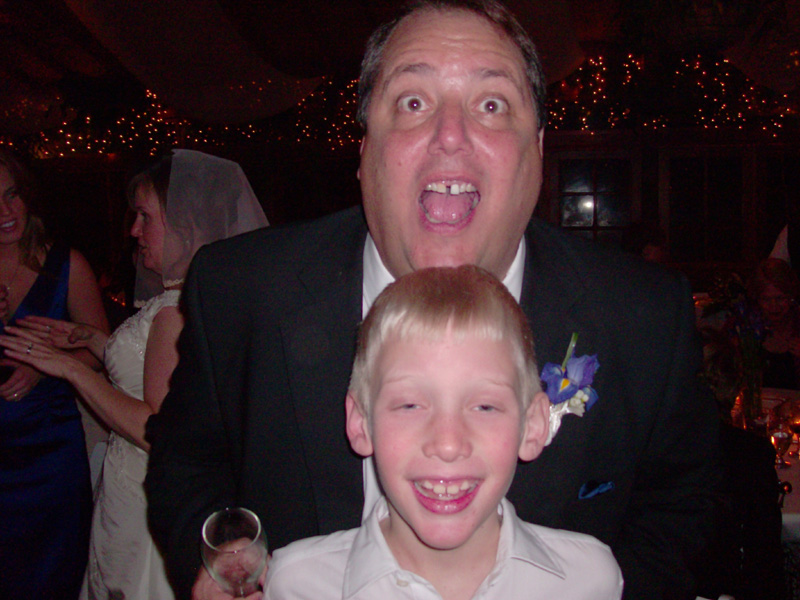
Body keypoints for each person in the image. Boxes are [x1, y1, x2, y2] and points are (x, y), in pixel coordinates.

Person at [145, 2, 719, 599]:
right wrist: (218, 566)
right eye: (413, 103)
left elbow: (683, 505)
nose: (450, 135)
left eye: (491, 105)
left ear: (538, 151)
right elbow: (186, 464)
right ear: (365, 149)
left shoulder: (644, 317)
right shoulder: (239, 291)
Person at [0, 149, 269, 600]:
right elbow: (157, 378)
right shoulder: (185, 294)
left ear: (184, 224)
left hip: (147, 489)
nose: (133, 231)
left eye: (145, 217)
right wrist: (93, 340)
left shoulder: (174, 310)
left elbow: (158, 430)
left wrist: (69, 368)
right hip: (129, 485)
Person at [263, 265, 624, 599]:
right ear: (361, 422)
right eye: (410, 405)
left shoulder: (588, 581)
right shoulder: (298, 585)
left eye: (485, 407)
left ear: (532, 426)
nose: (448, 444)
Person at [0, 149, 109, 600]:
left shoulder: (67, 264)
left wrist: (42, 371)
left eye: (11, 195)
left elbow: (103, 353)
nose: (5, 211)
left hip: (49, 452)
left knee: (53, 573)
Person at [748, 257, 800, 389]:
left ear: (791, 297)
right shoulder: (744, 326)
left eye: (780, 298)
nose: (774, 306)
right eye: (766, 299)